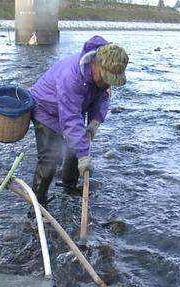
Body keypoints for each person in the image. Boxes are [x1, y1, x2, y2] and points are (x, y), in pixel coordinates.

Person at [29, 35, 129, 207]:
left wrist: (95, 121)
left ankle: (69, 187)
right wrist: (85, 156)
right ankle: (38, 206)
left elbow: (102, 96)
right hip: (46, 110)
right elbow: (71, 119)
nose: (106, 82)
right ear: (97, 64)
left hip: (71, 110)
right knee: (50, 159)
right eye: (105, 77)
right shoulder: (72, 77)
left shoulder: (102, 76)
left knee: (76, 147)